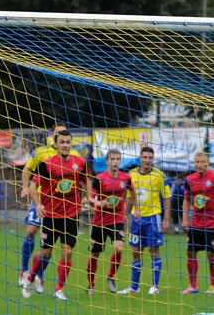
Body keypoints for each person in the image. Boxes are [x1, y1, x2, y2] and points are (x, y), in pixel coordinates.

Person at [22, 126, 91, 300]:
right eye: (62, 142)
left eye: (68, 142)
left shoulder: (80, 163)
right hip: (51, 216)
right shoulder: (47, 164)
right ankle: (30, 277)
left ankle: (59, 289)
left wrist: (89, 196)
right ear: (55, 144)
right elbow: (32, 185)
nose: (66, 145)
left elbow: (85, 180)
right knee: (46, 253)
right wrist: (38, 205)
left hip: (71, 215)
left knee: (67, 251)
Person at [118, 146, 171, 295]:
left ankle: (155, 286)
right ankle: (134, 287)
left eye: (150, 158)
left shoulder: (159, 175)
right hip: (136, 218)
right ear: (140, 158)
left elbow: (167, 197)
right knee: (136, 251)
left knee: (154, 250)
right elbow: (129, 197)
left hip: (153, 218)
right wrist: (124, 214)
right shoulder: (131, 174)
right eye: (145, 157)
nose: (148, 160)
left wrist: (166, 219)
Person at [85, 149, 137, 294]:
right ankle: (91, 284)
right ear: (107, 161)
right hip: (99, 222)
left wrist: (133, 209)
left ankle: (111, 276)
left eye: (117, 159)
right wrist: (98, 203)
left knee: (119, 249)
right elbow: (90, 199)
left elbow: (132, 192)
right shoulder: (99, 178)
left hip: (117, 220)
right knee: (95, 255)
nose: (115, 162)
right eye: (112, 159)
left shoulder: (126, 178)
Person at [180, 151, 214, 294]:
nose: (200, 165)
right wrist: (185, 219)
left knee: (211, 254)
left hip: (213, 223)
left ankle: (213, 287)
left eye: (203, 162)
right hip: (196, 223)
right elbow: (187, 200)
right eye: (197, 162)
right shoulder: (190, 179)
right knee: (190, 252)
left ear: (207, 163)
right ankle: (193, 286)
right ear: (194, 163)